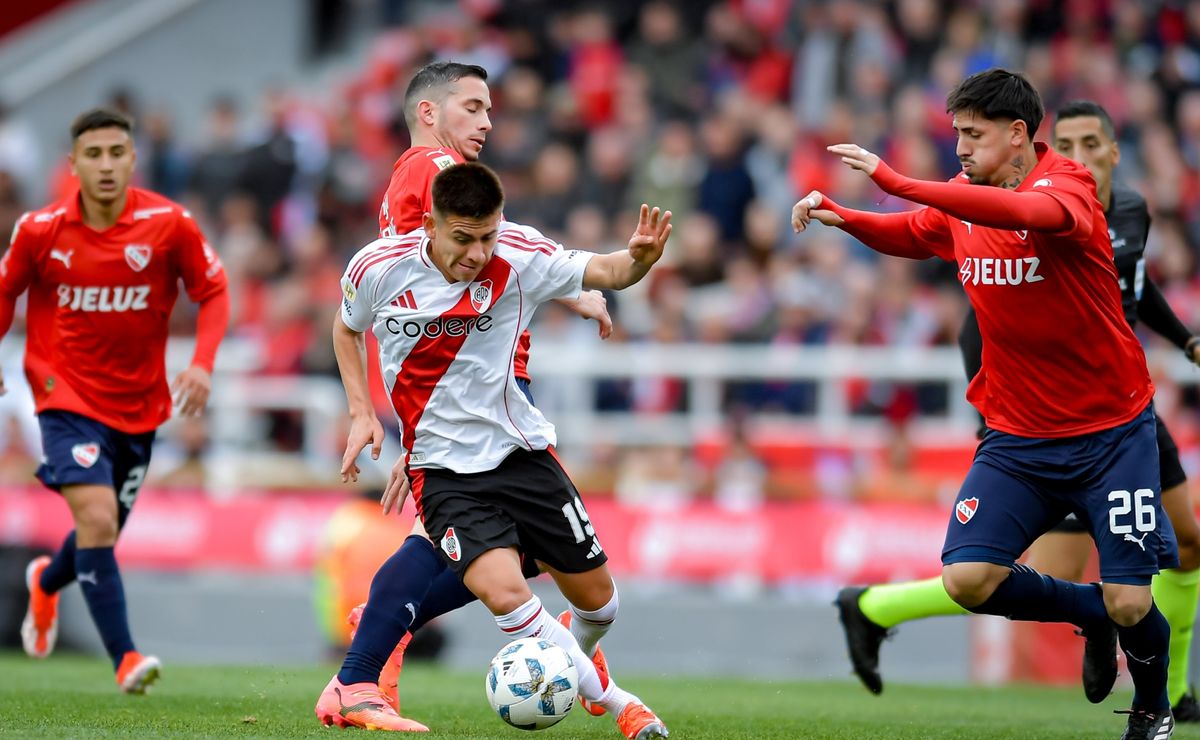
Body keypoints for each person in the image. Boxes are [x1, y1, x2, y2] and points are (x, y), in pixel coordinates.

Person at [792, 69, 1179, 739]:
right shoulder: (969, 198)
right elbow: (915, 233)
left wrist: (893, 178)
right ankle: (1088, 613)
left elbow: (1023, 214)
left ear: (1018, 134)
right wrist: (845, 218)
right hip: (1019, 438)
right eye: (957, 135)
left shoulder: (1068, 188)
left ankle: (1152, 707)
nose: (961, 149)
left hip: (1111, 432)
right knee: (969, 579)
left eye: (972, 135)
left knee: (1130, 598)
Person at [316, 162, 671, 738]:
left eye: (486, 236)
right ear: (429, 224)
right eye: (463, 238)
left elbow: (605, 268)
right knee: (508, 595)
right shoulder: (378, 268)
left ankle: (571, 655)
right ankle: (623, 705)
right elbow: (345, 327)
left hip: (522, 454)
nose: (477, 253)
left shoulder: (519, 251)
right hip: (443, 471)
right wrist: (361, 411)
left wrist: (639, 262)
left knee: (601, 604)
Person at [328, 61, 613, 724]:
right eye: (474, 107)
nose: (487, 121)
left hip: (475, 393)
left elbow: (435, 289)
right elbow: (429, 283)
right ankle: (385, 636)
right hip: (477, 393)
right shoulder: (430, 170)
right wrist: (421, 426)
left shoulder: (419, 178)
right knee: (504, 542)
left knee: (497, 542)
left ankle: (386, 625)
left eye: (490, 109)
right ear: (429, 113)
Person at [13, 108, 230, 692]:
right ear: (73, 164)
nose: (105, 164)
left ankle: (45, 580)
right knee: (99, 517)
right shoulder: (40, 229)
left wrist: (202, 365)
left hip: (139, 407)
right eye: (93, 154)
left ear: (133, 158)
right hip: (63, 394)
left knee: (100, 530)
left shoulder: (169, 223)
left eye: (116, 153)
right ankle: (126, 658)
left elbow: (213, 290)